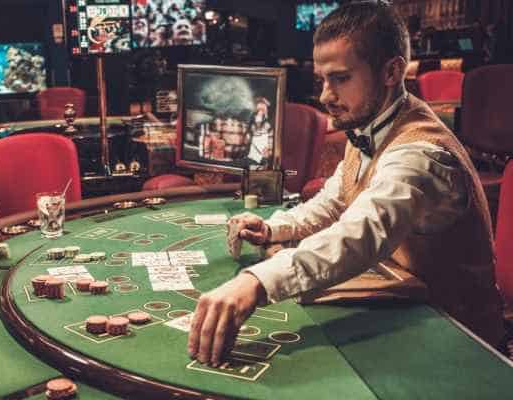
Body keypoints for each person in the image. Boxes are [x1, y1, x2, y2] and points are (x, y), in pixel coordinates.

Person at [188, 1, 506, 367]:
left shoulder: (419, 153)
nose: (325, 96)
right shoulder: (372, 125)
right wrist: (274, 227)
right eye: (322, 80)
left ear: (391, 71)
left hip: (457, 339)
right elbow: (335, 200)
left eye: (340, 78)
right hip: (405, 306)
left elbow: (359, 235)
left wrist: (256, 282)